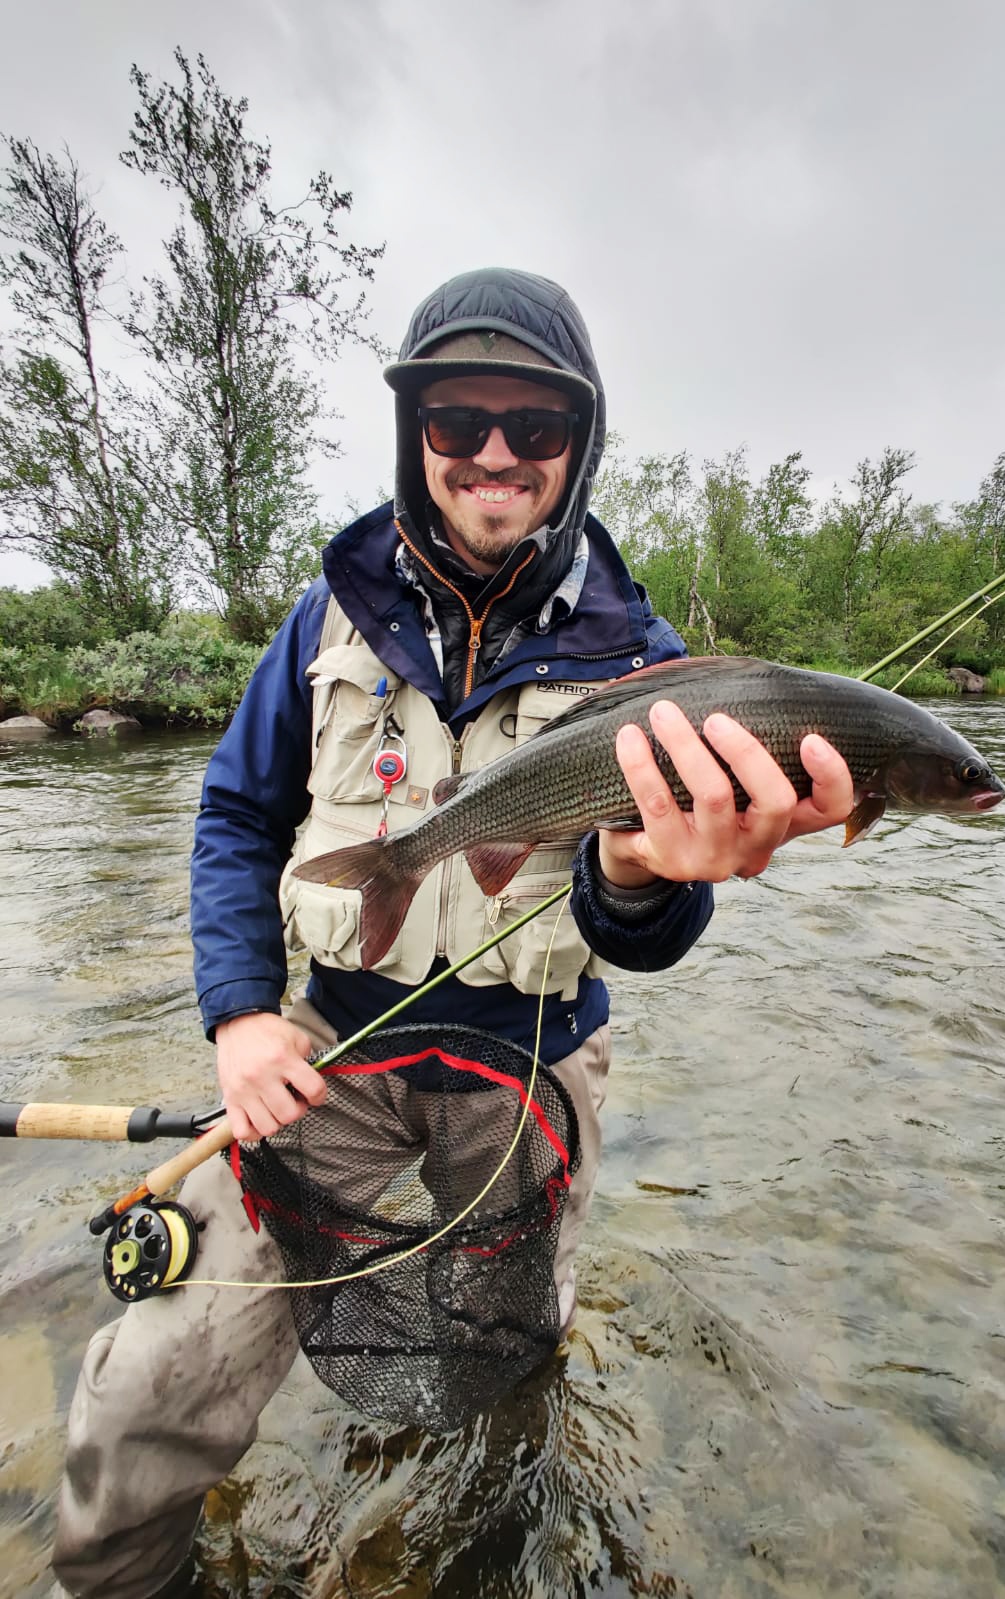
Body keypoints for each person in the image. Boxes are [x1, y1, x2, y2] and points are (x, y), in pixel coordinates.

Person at [52, 267, 853, 1599]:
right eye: (456, 420)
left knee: (508, 1367)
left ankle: (490, 1547)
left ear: (576, 446)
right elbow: (237, 820)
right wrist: (243, 1014)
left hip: (533, 1056)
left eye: (533, 427)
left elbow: (639, 932)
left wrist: (651, 878)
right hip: (329, 1042)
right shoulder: (326, 618)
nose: (493, 454)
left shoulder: (647, 665)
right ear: (415, 432)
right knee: (147, 1380)